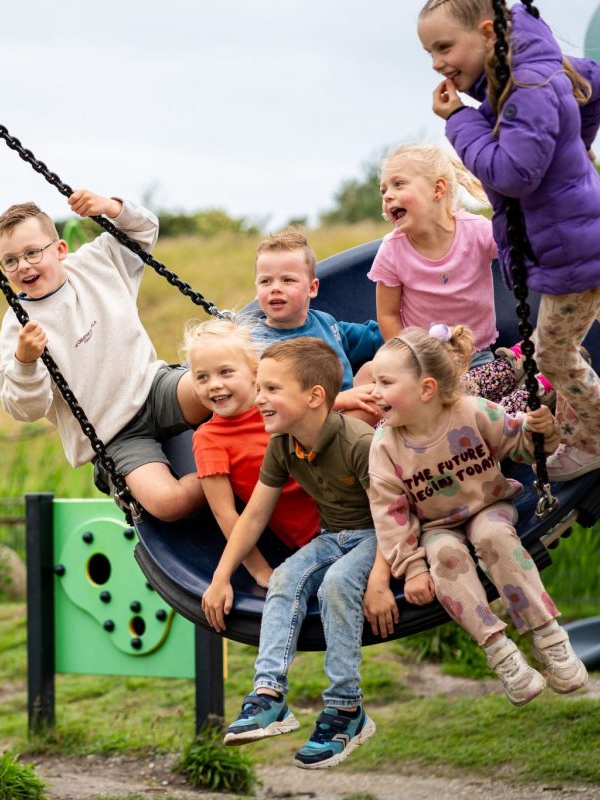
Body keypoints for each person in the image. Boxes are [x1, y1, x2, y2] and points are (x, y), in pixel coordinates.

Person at [419, 0, 600, 480]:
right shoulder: (534, 66)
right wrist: (576, 144)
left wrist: (458, 122)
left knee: (551, 353)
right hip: (589, 230)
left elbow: (512, 174)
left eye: (445, 46)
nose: (437, 63)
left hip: (567, 249)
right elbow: (594, 84)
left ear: (488, 32)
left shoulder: (524, 88)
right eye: (429, 52)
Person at [367, 324, 588, 704]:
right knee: (445, 560)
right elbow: (390, 514)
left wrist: (543, 433)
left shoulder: (470, 411)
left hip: (488, 507)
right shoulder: (384, 446)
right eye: (375, 382)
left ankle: (548, 635)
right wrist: (413, 567)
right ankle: (501, 652)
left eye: (385, 383)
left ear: (426, 389)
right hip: (436, 528)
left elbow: (519, 444)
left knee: (494, 538)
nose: (374, 392)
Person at [203, 337, 381, 770]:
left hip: (378, 535)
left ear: (314, 397)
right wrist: (222, 576)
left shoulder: (359, 442)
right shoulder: (282, 443)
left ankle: (345, 709)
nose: (258, 399)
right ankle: (268, 697)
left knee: (337, 584)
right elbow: (253, 516)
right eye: (259, 388)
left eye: (271, 390)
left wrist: (379, 581)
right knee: (284, 576)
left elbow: (397, 518)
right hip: (333, 535)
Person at [0, 190, 209, 521]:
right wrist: (25, 362)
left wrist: (110, 208)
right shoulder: (18, 326)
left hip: (153, 388)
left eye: (33, 253)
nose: (23, 265)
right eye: (10, 260)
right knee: (170, 504)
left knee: (217, 390)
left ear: (60, 249)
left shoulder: (99, 262)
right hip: (115, 436)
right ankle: (225, 479)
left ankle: (258, 457)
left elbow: (144, 230)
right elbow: (25, 408)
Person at [370, 141, 544, 414]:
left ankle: (527, 380)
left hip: (477, 356)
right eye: (384, 190)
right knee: (439, 409)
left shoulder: (475, 231)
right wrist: (408, 359)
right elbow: (389, 314)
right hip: (426, 363)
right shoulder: (392, 251)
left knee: (464, 407)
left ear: (437, 189)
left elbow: (522, 253)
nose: (387, 195)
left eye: (398, 184)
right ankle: (515, 378)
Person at [184, 316, 321, 585]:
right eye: (202, 377)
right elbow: (226, 514)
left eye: (225, 372)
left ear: (255, 372)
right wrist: (259, 570)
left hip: (345, 504)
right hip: (313, 535)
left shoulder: (276, 406)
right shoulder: (210, 439)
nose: (214, 384)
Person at [253, 231, 383, 426]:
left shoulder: (325, 323)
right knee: (374, 405)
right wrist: (341, 400)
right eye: (266, 281)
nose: (275, 288)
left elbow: (371, 337)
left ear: (312, 288)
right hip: (304, 426)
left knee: (375, 370)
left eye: (288, 280)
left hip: (344, 410)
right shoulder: (256, 343)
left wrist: (415, 329)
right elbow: (278, 403)